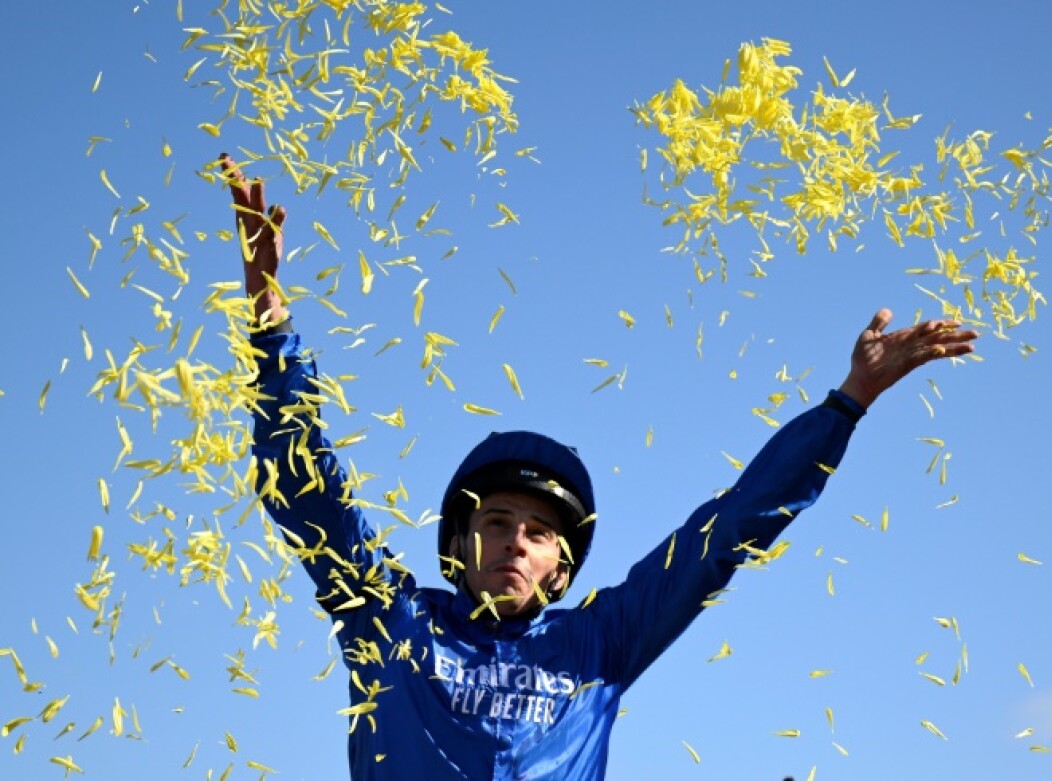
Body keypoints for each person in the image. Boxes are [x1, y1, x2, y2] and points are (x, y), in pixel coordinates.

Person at [222, 152, 978, 780]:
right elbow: (307, 490)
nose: (515, 538)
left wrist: (847, 402)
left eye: (539, 531)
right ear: (457, 545)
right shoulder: (390, 620)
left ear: (561, 567)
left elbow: (725, 532)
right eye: (495, 521)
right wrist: (268, 308)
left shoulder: (599, 641)